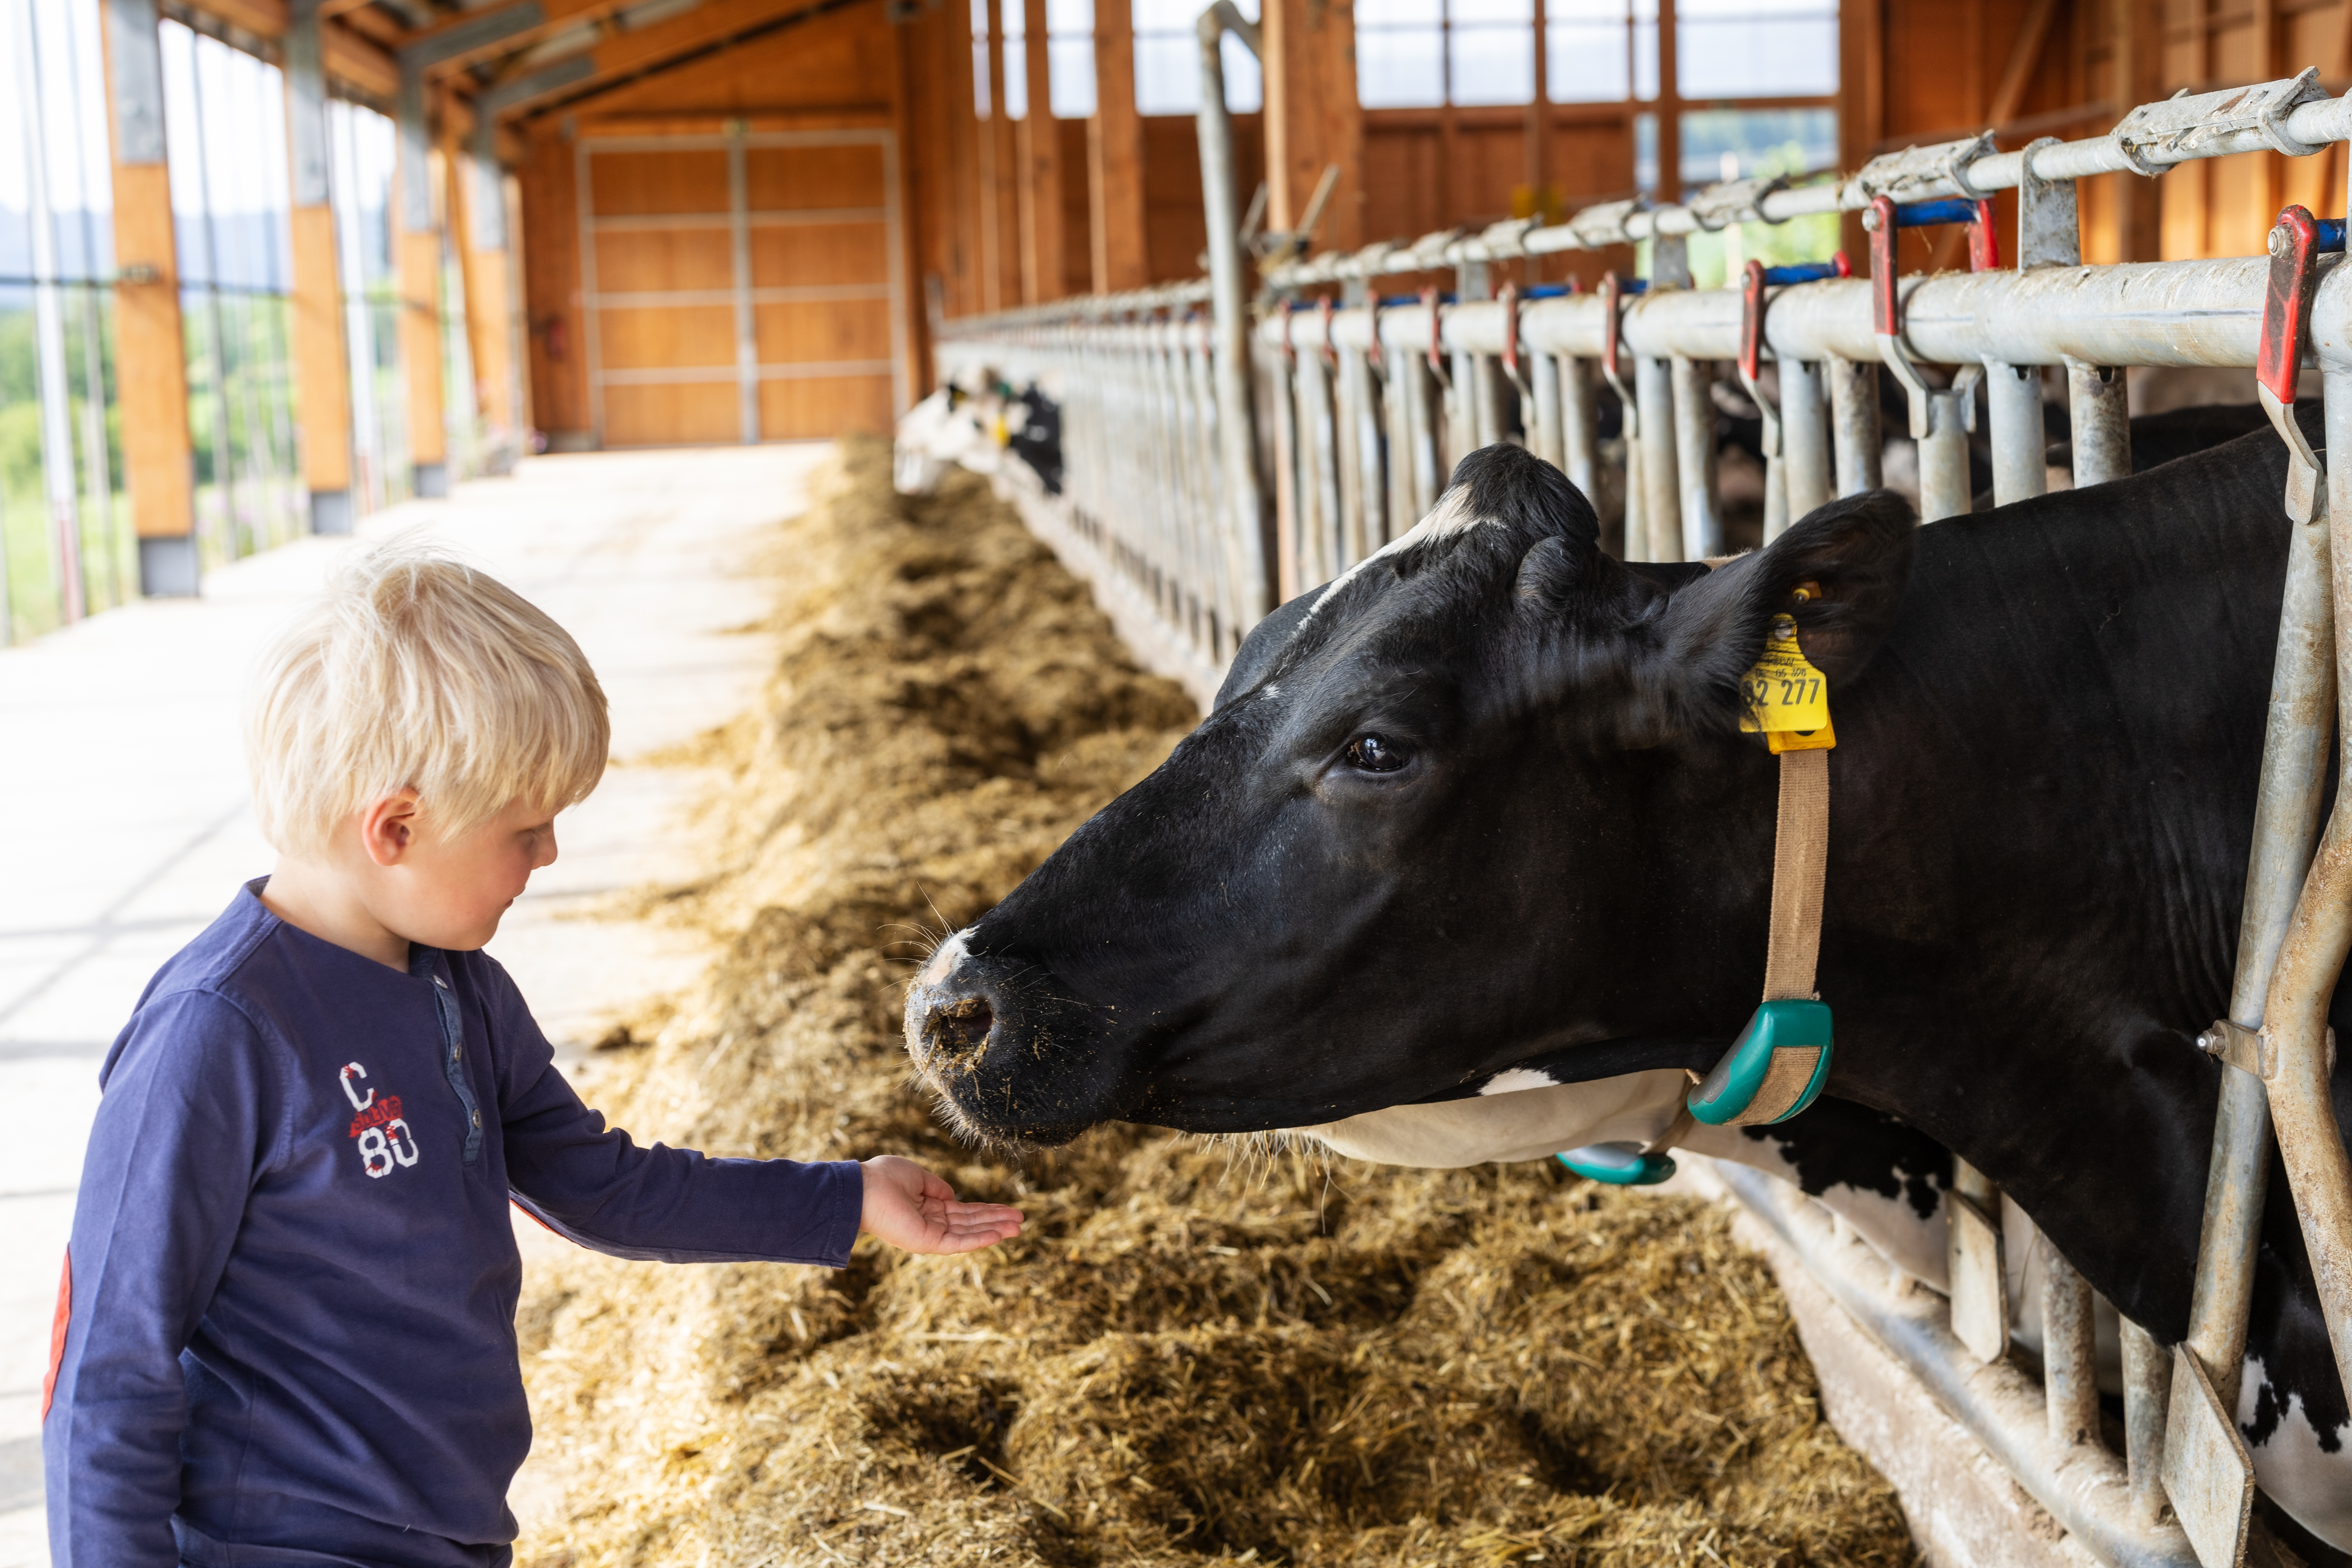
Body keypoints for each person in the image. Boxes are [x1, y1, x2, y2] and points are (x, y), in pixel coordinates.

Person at [41, 541, 1023, 1567]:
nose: (549, 854)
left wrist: (847, 1198)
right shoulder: (218, 1036)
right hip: (281, 1541)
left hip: (453, 1534)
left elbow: (604, 1187)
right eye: (526, 828)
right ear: (397, 827)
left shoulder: (458, 991)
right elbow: (110, 1366)